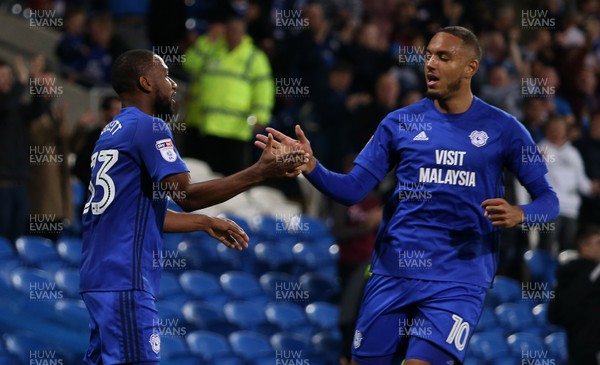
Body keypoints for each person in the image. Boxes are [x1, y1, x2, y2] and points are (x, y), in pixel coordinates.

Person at [256, 26, 559, 365]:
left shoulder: (504, 128)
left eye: (444, 57)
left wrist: (521, 213)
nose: (430, 64)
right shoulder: (399, 123)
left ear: (470, 68)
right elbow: (352, 189)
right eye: (429, 55)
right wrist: (312, 166)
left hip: (458, 279)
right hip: (393, 272)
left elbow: (549, 200)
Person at [79, 49, 306, 365]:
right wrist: (259, 172)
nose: (173, 84)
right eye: (166, 75)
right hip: (125, 279)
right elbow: (187, 196)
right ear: (146, 82)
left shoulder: (111, 132)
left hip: (101, 277)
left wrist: (203, 223)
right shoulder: (150, 127)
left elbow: (135, 213)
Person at [183, 14, 274, 175]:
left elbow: (263, 87)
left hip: (237, 128)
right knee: (206, 176)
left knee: (234, 178)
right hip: (209, 125)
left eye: (237, 30)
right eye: (230, 30)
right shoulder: (212, 50)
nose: (233, 34)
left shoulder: (254, 56)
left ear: (244, 33)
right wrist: (207, 39)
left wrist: (261, 115)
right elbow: (189, 64)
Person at [548, 225, 600, 365]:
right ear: (584, 246)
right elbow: (555, 314)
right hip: (587, 348)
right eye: (598, 243)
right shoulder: (573, 274)